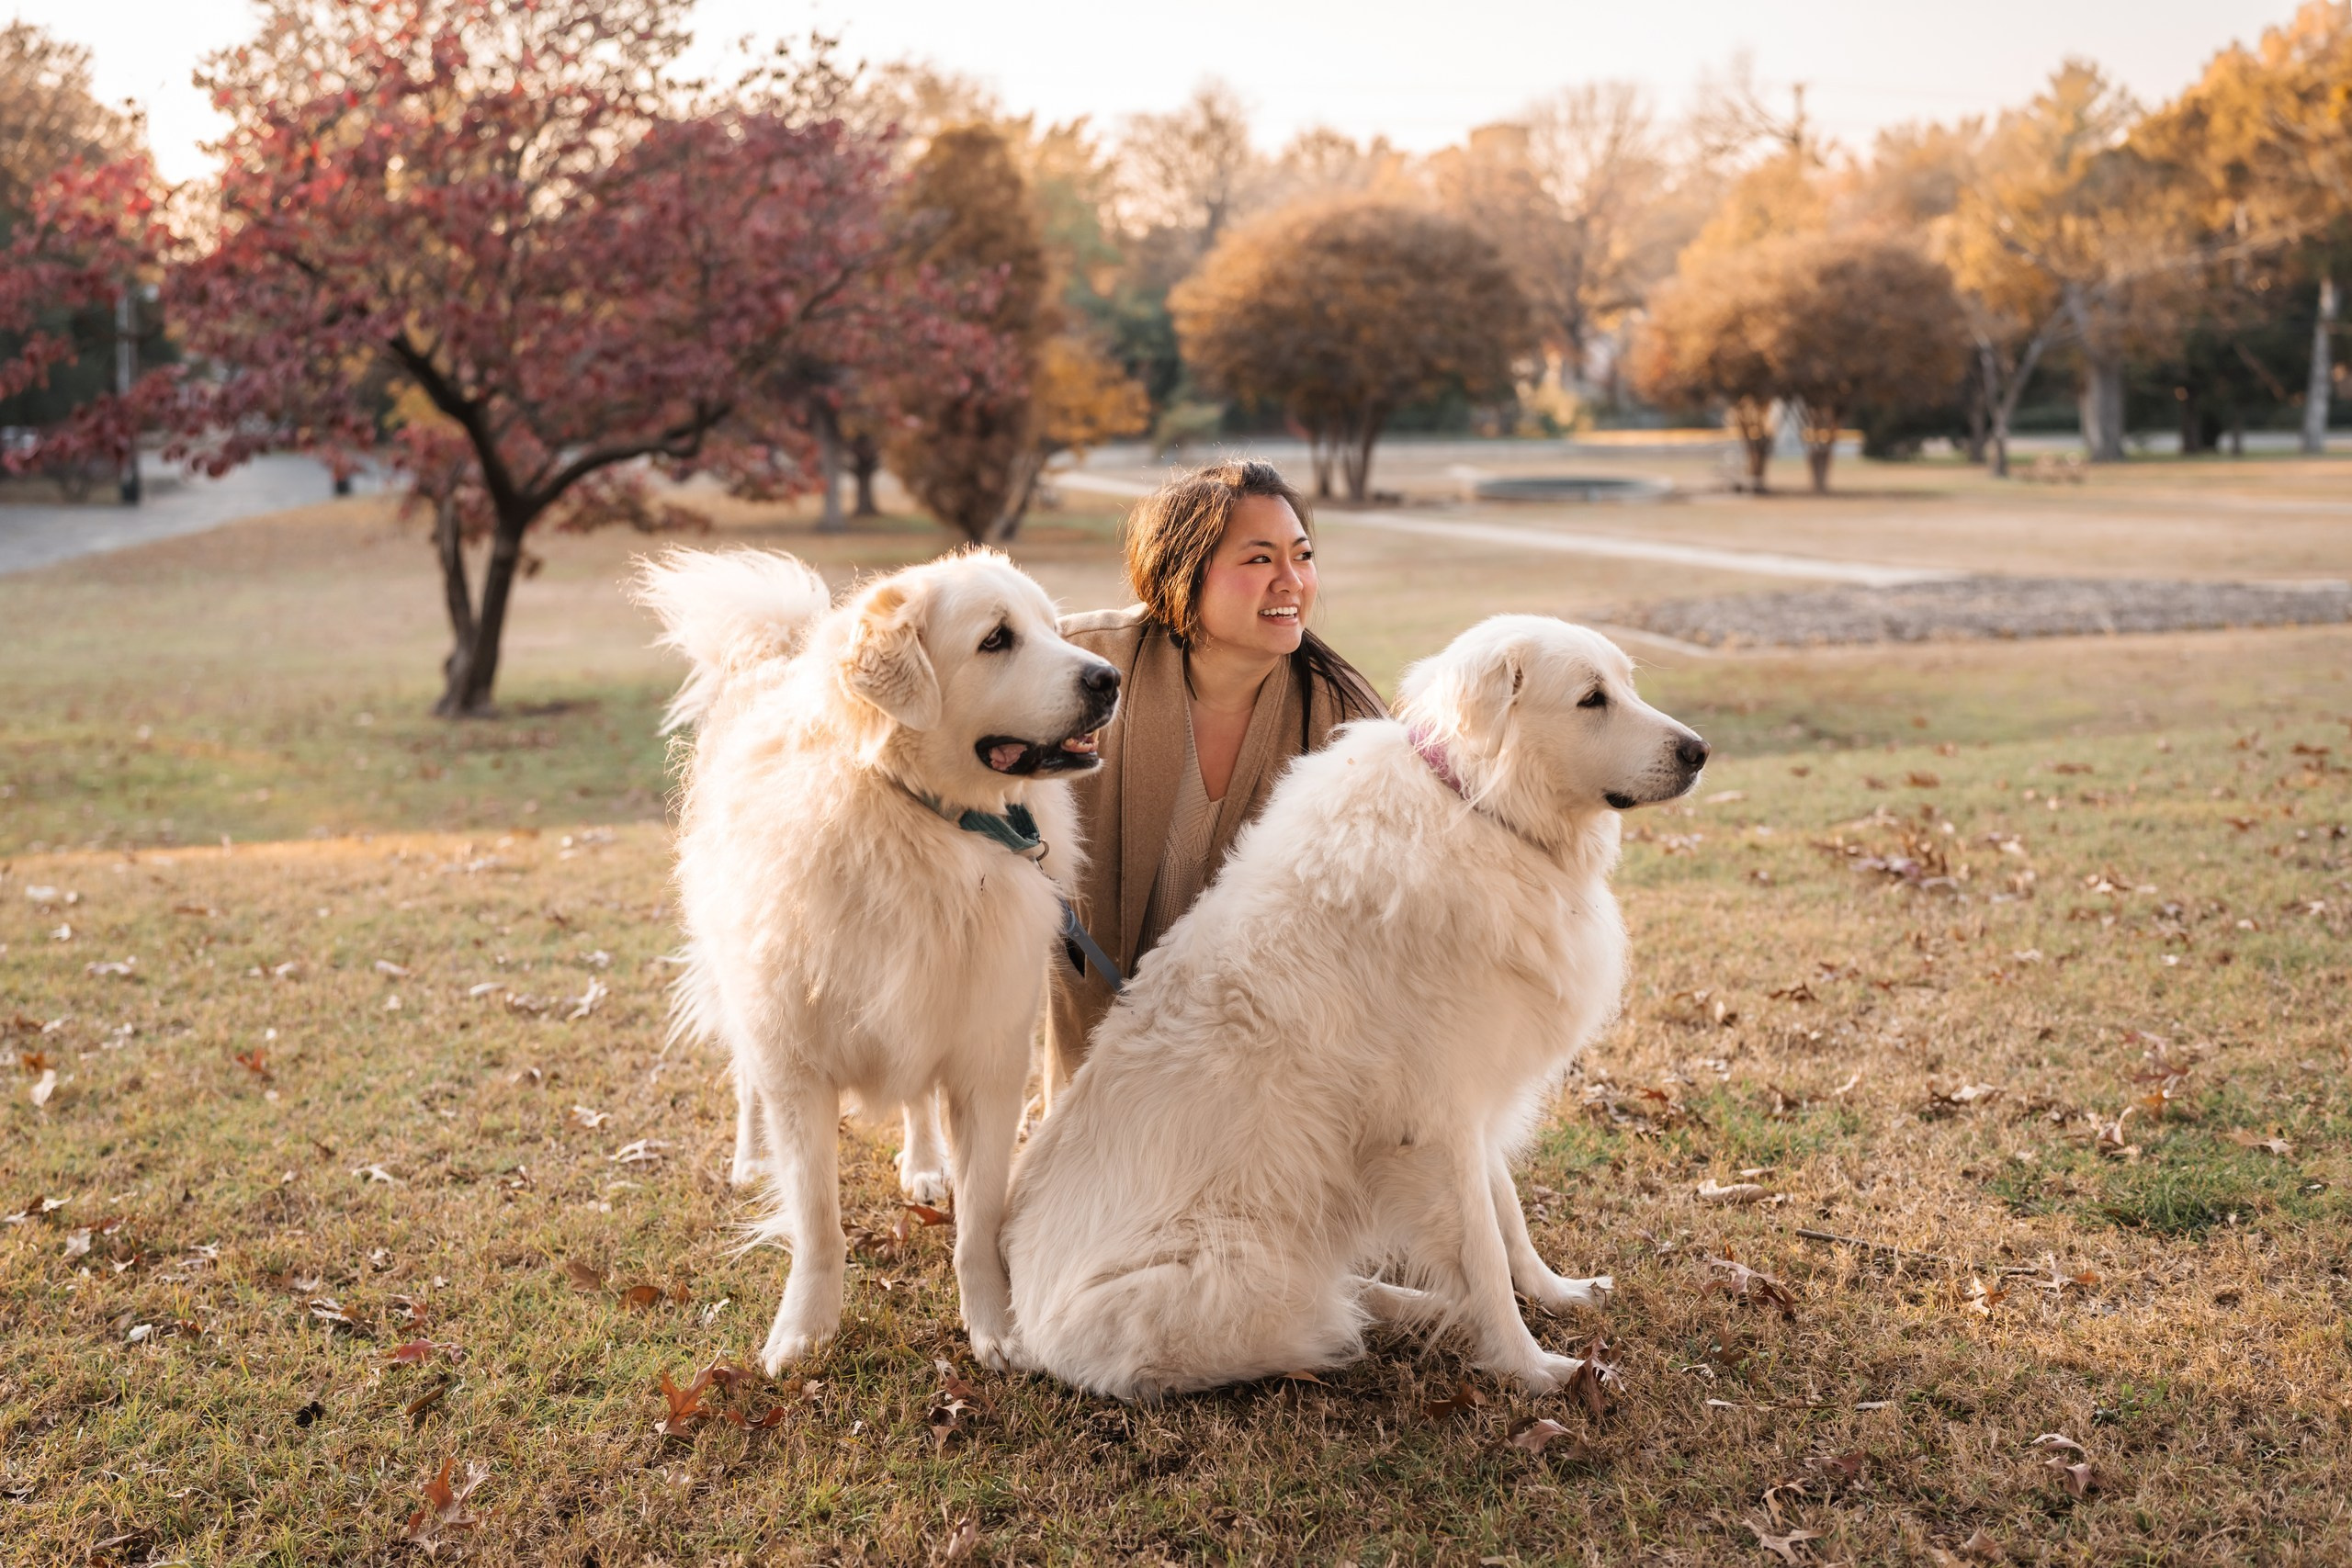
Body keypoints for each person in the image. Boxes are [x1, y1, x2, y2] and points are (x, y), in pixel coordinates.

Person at [1046, 459, 1385, 1091]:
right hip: (1093, 1061)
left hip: (1260, 1071)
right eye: (1259, 559)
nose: (1292, 581)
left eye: (1303, 555)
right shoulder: (1085, 665)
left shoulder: (1345, 718)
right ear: (1183, 572)